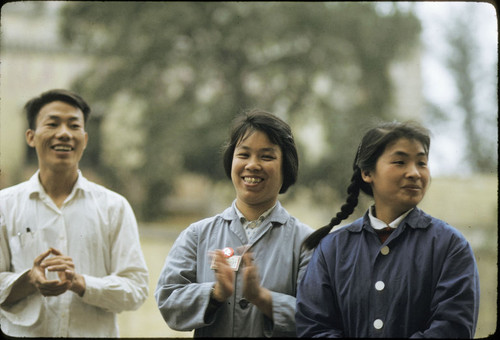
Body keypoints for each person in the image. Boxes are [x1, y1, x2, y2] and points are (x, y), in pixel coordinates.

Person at [296, 121, 480, 338]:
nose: (414, 173)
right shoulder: (332, 249)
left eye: (422, 163)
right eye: (400, 161)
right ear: (367, 172)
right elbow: (313, 327)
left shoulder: (450, 246)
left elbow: (453, 328)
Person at [0, 89, 149, 337]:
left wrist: (81, 283)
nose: (64, 133)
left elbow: (136, 289)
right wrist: (30, 280)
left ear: (85, 138)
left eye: (73, 125)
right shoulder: (4, 205)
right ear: (31, 136)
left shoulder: (114, 207)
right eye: (52, 123)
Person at [155, 110, 313, 337]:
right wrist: (215, 293)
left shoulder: (308, 243)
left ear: (286, 166)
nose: (252, 165)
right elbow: (168, 299)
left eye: (266, 157)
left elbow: (319, 317)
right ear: (231, 161)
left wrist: (262, 298)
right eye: (244, 154)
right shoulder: (197, 235)